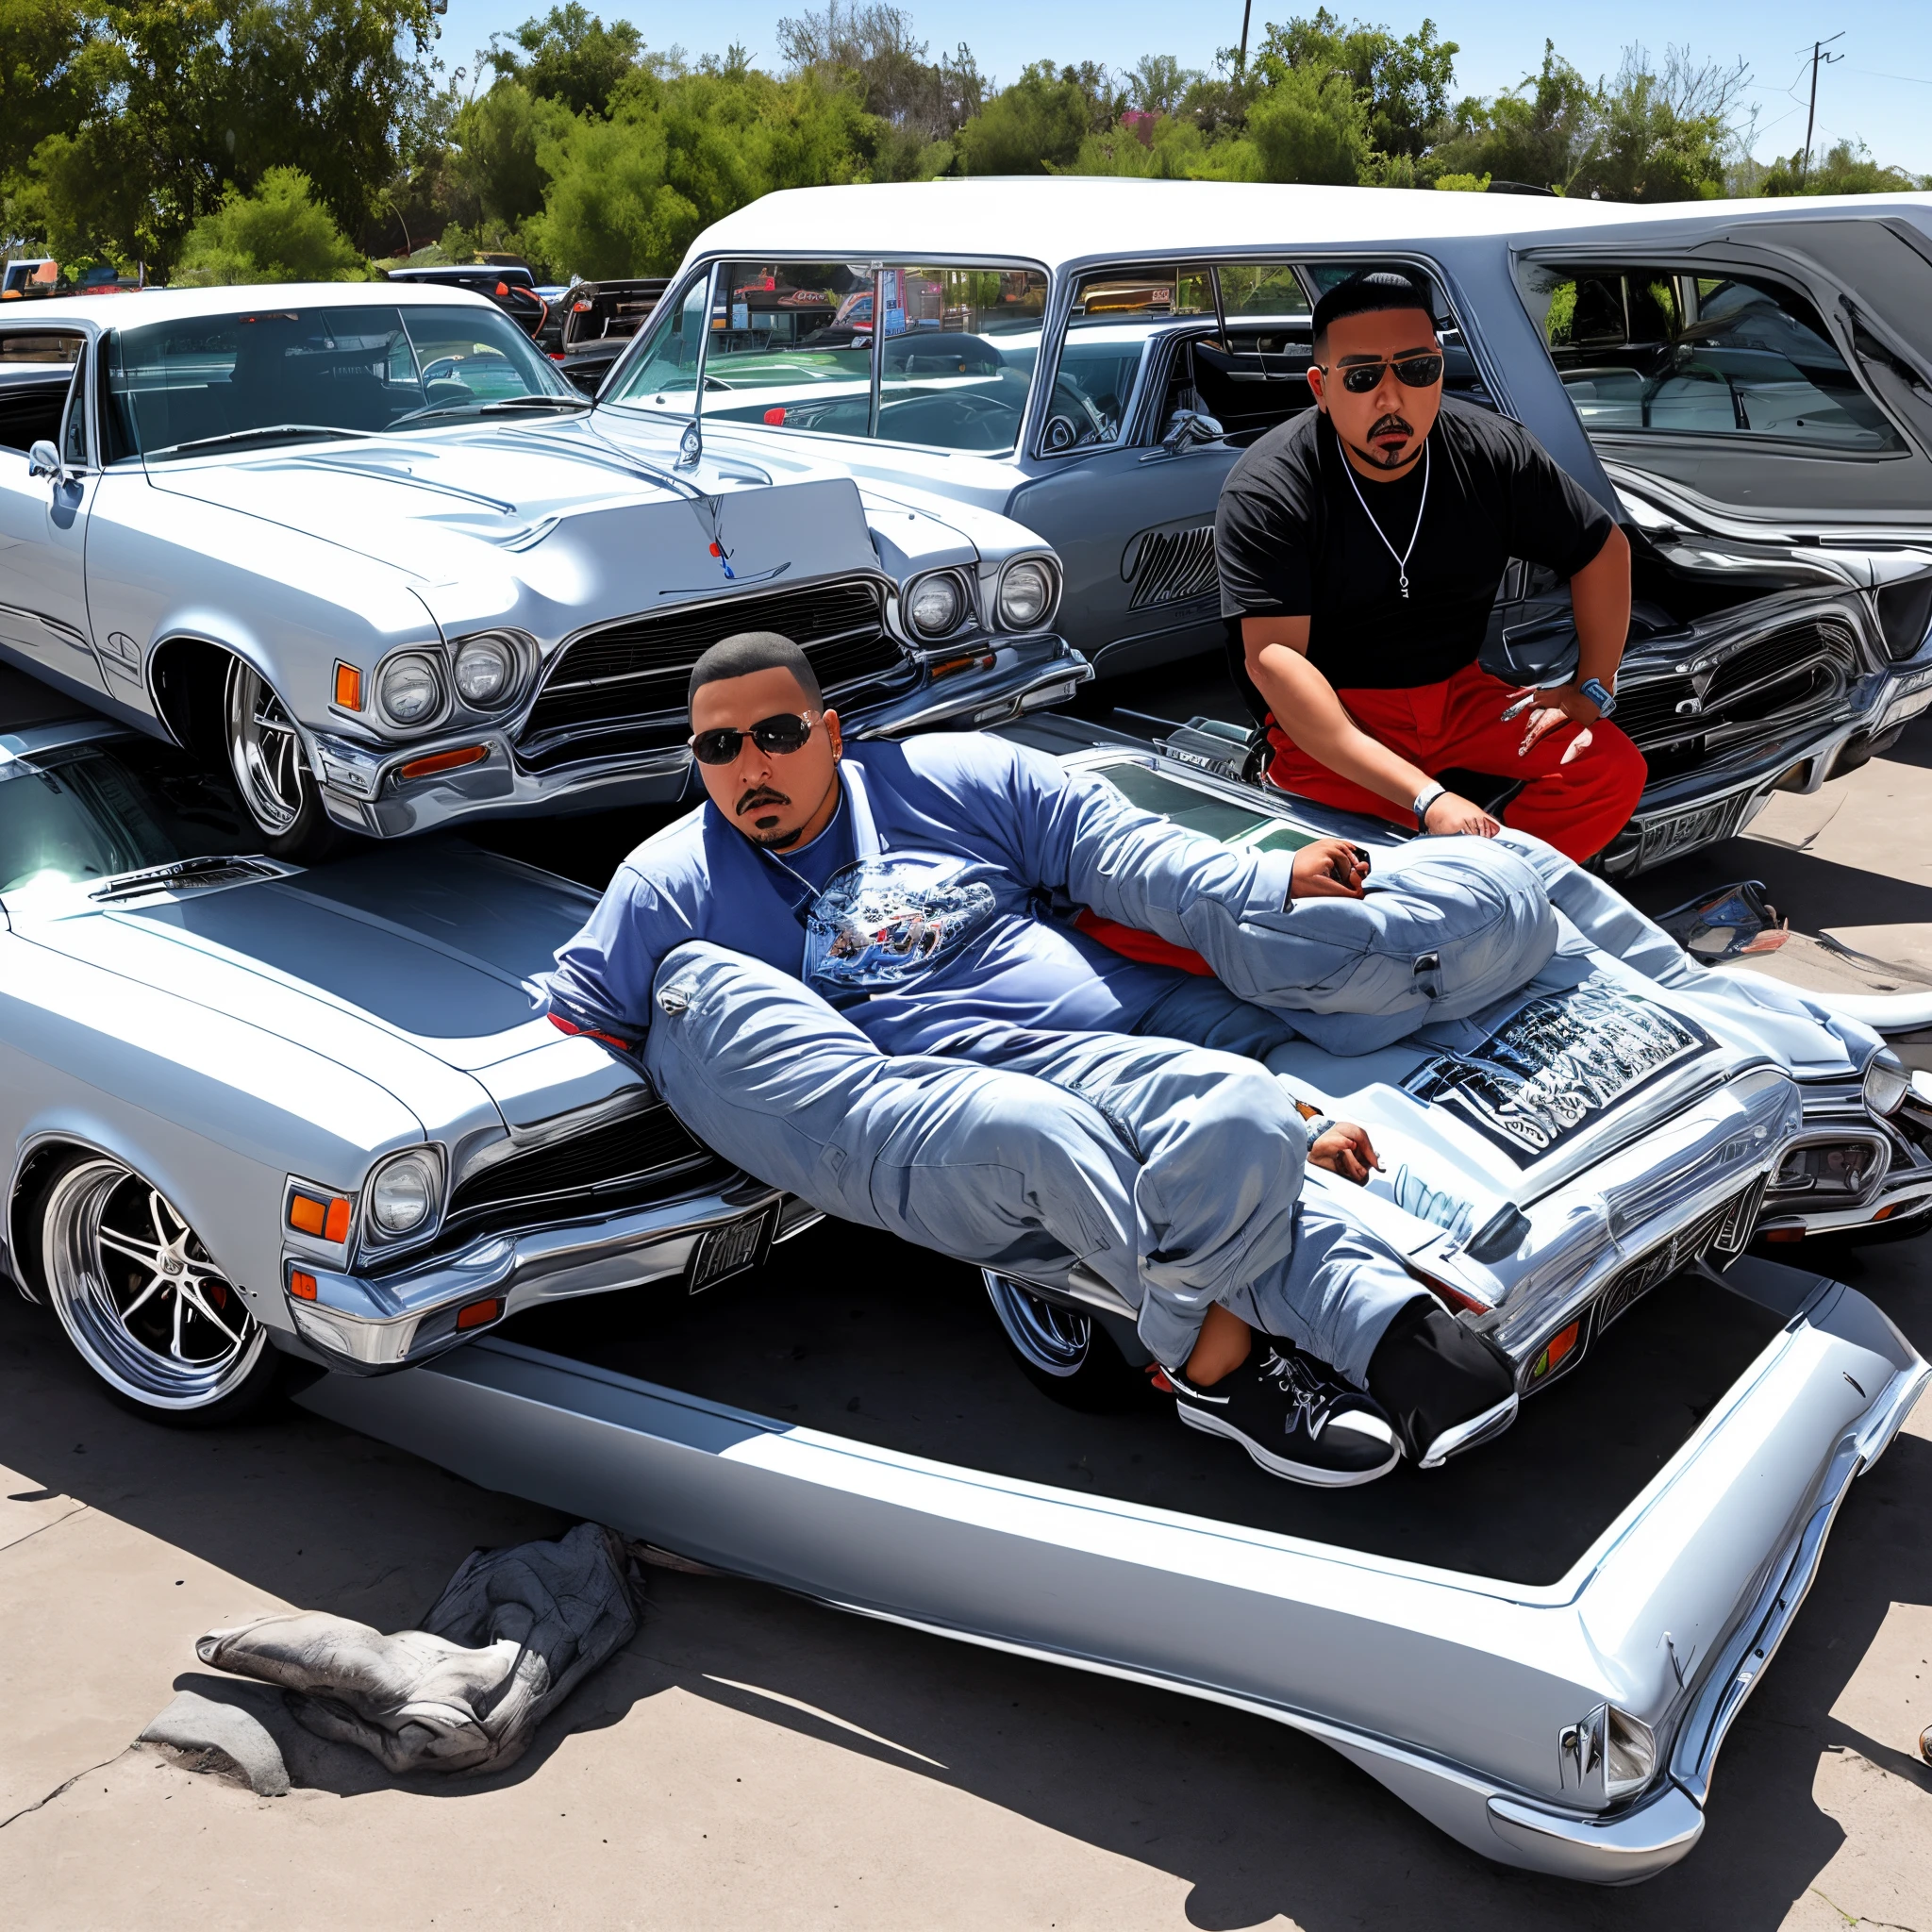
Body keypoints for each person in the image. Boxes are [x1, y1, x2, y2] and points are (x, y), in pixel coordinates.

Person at [541, 630, 1531, 1489]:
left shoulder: (944, 776)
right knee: (1220, 1112)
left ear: (830, 729)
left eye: (777, 732)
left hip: (1143, 1012)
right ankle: (1296, 1350)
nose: (751, 765)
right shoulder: (671, 882)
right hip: (983, 1087)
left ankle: (1304, 1293)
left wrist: (1264, 879)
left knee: (1267, 1085)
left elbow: (1118, 846)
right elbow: (583, 1023)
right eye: (720, 747)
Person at [1214, 266, 1647, 865]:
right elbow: (1273, 661)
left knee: (1608, 768)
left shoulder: (1492, 450)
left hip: (1459, 695)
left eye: (1418, 370)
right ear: (1319, 386)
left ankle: (1505, 898)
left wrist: (1593, 687)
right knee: (1373, 860)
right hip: (1334, 713)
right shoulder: (1271, 485)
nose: (1392, 400)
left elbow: (1602, 549)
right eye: (1363, 377)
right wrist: (1427, 798)